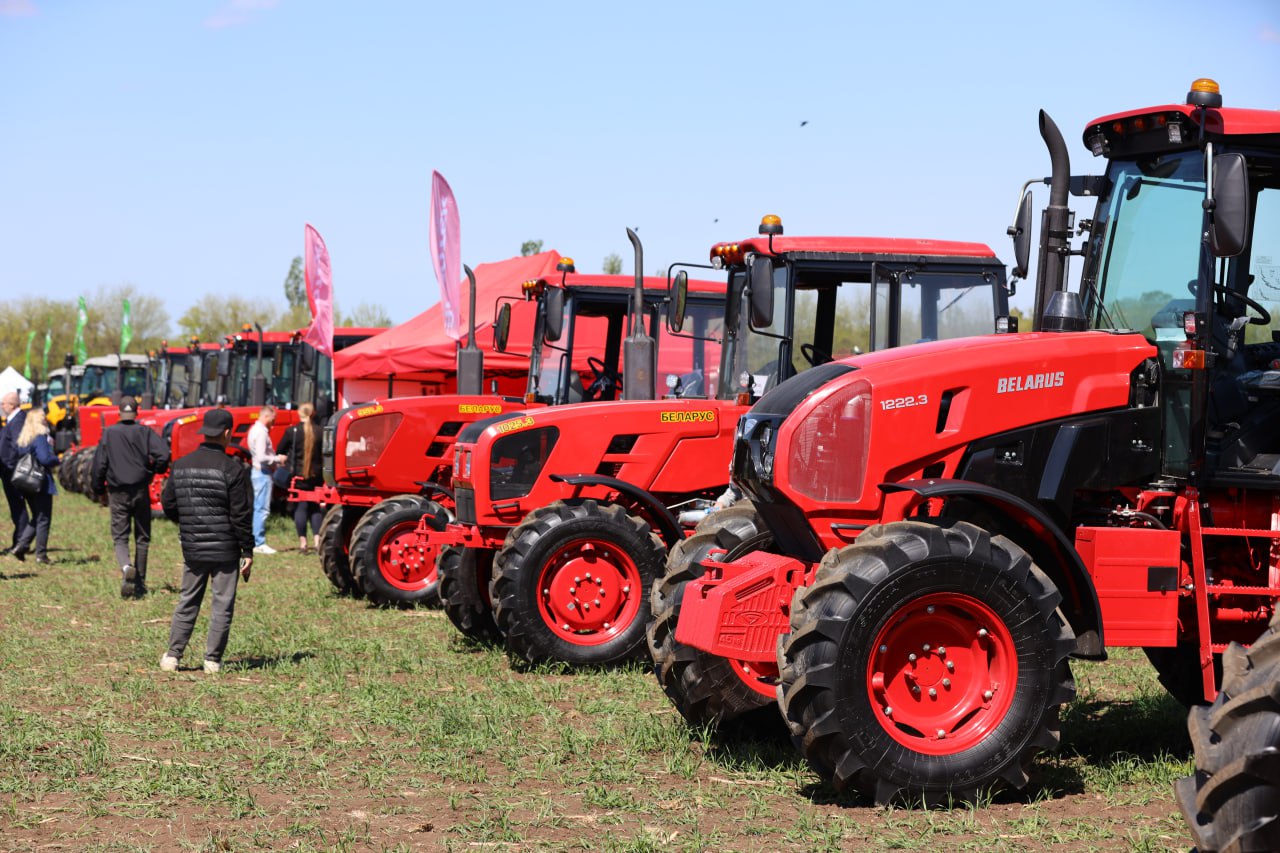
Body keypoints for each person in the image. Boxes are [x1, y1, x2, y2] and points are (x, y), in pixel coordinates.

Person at [159, 408, 253, 674]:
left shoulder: (180, 465)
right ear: (227, 433)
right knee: (222, 605)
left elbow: (168, 503)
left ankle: (172, 656)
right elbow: (240, 515)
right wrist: (248, 549)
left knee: (187, 600)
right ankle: (212, 660)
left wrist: (188, 524)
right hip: (226, 550)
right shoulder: (233, 469)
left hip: (193, 547)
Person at [91, 396, 171, 598]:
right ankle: (140, 583)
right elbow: (164, 454)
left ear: (119, 413)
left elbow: (99, 464)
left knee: (120, 536)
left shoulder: (109, 433)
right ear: (136, 413)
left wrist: (98, 489)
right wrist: (154, 471)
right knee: (142, 537)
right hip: (141, 490)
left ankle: (127, 568)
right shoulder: (144, 431)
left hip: (117, 491)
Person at [10, 408, 59, 563]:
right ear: (39, 421)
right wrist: (57, 459)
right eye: (44, 418)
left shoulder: (24, 439)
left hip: (26, 482)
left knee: (37, 516)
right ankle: (41, 554)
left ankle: (21, 546)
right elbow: (45, 459)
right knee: (44, 518)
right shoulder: (39, 437)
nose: (46, 420)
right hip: (40, 482)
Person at [275, 402, 324, 553]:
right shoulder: (321, 431)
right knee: (315, 508)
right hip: (316, 475)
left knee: (301, 507)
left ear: (299, 413)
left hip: (298, 476)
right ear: (313, 413)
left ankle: (303, 543)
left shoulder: (292, 431)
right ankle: (317, 541)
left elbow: (280, 449)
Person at [246, 404, 285, 555]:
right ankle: (259, 542)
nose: (274, 422)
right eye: (273, 418)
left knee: (258, 506)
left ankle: (256, 540)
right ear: (266, 416)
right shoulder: (261, 433)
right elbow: (262, 457)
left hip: (257, 471)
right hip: (262, 473)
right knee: (262, 508)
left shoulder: (254, 430)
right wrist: (278, 459)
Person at [0, 391, 31, 554]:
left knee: (18, 506)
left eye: (3, 403)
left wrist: (10, 465)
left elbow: (17, 446)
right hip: (8, 470)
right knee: (16, 507)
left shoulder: (18, 420)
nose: (1, 406)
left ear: (12, 405)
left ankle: (21, 542)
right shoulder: (13, 419)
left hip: (12, 471)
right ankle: (19, 540)